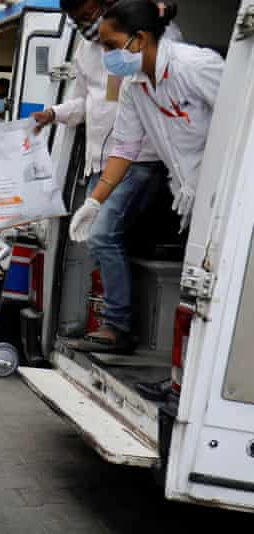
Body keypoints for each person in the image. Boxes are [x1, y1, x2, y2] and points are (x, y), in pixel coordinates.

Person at [67, 1, 223, 354]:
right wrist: (95, 202)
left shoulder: (195, 66)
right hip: (191, 193)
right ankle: (186, 371)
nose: (107, 56)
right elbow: (125, 148)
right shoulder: (134, 86)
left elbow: (242, 118)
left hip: (226, 192)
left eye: (111, 45)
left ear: (138, 39)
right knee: (199, 283)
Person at [32, 0, 181, 353]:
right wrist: (53, 113)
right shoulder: (87, 51)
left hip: (139, 160)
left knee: (102, 235)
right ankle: (106, 319)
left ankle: (118, 326)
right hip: (98, 163)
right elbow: (86, 103)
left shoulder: (149, 37)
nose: (82, 24)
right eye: (74, 20)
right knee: (95, 238)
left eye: (85, 15)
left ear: (103, 5)